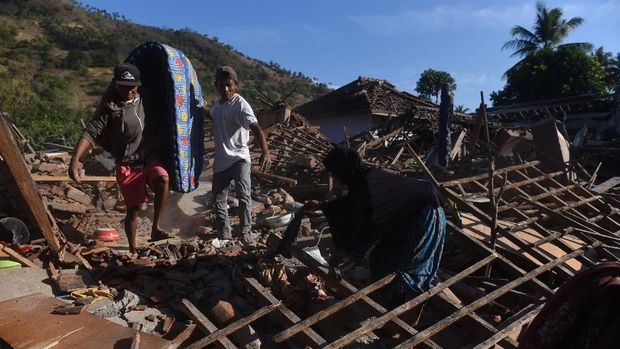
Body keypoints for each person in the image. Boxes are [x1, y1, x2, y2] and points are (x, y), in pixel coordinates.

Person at [306, 147, 446, 324]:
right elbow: (351, 204)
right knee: (382, 260)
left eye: (334, 173)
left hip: (424, 216)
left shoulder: (366, 183)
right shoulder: (363, 179)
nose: (333, 178)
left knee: (411, 269)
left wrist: (346, 249)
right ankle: (393, 316)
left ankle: (408, 324)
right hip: (412, 215)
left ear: (343, 170)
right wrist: (322, 205)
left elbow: (362, 218)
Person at [69, 63, 171, 253]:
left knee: (163, 178)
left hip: (148, 158)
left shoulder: (146, 99)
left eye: (132, 87)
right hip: (127, 164)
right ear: (115, 84)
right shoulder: (110, 107)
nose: (129, 91)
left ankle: (156, 228)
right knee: (133, 210)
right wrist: (75, 159)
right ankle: (133, 249)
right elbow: (90, 132)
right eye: (123, 86)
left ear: (139, 85)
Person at [209, 66, 271, 243]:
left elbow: (256, 127)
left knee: (244, 196)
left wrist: (265, 152)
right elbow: (210, 114)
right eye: (222, 85)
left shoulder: (241, 105)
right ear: (216, 86)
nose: (226, 89)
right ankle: (225, 231)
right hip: (221, 160)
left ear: (236, 85)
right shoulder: (217, 105)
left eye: (229, 85)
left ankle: (245, 231)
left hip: (239, 159)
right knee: (219, 199)